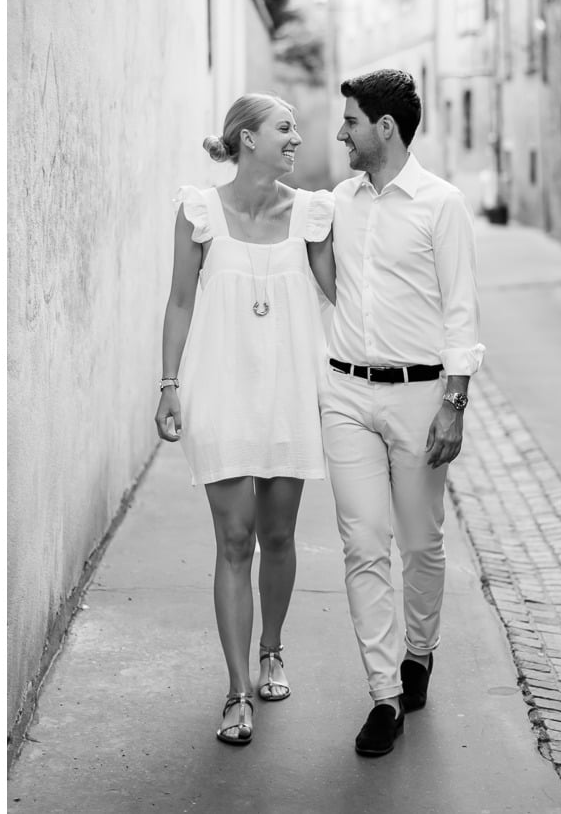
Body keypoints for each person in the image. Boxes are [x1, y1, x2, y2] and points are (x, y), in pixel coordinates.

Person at [153, 94, 335, 746]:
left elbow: (344, 298)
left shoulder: (314, 214)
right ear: (248, 138)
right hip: (221, 390)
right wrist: (169, 386)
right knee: (235, 540)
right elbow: (178, 303)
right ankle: (236, 690)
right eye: (285, 128)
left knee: (279, 537)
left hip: (291, 393)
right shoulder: (198, 212)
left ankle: (273, 649)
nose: (297, 138)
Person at [322, 69, 483, 757]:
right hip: (345, 395)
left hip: (421, 397)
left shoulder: (441, 204)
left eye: (351, 121)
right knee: (363, 545)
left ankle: (421, 652)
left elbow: (460, 310)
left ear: (385, 127)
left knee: (420, 542)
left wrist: (454, 404)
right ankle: (384, 695)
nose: (341, 133)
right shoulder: (338, 202)